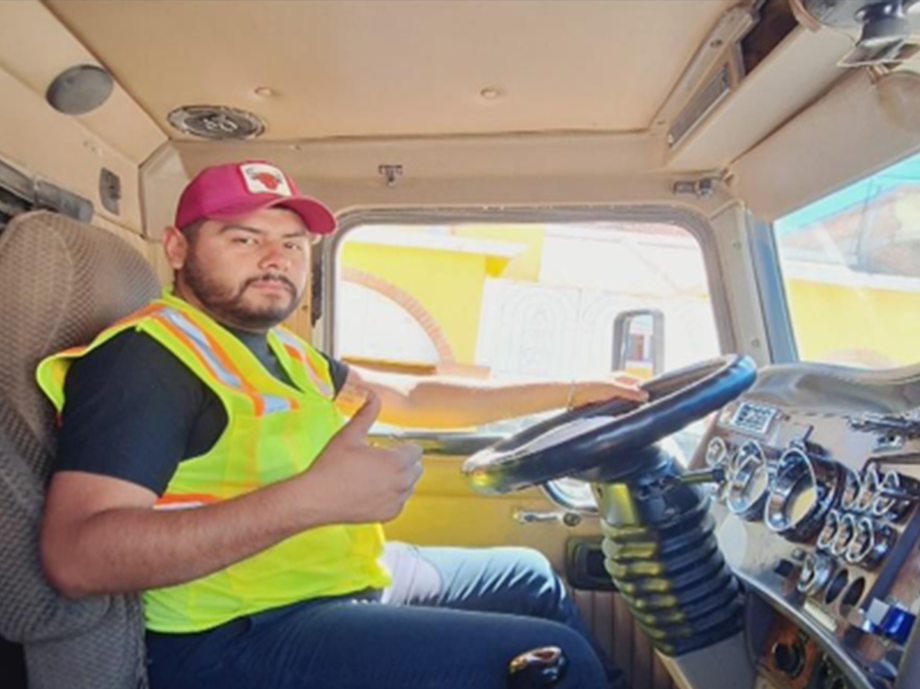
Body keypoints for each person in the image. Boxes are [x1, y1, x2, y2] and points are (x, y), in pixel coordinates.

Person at [37, 161, 647, 689]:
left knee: (531, 576)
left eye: (292, 243)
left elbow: (412, 396)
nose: (275, 259)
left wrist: (571, 392)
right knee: (557, 659)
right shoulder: (146, 360)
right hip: (233, 634)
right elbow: (76, 558)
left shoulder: (281, 350)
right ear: (176, 248)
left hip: (331, 582)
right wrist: (311, 500)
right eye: (244, 239)